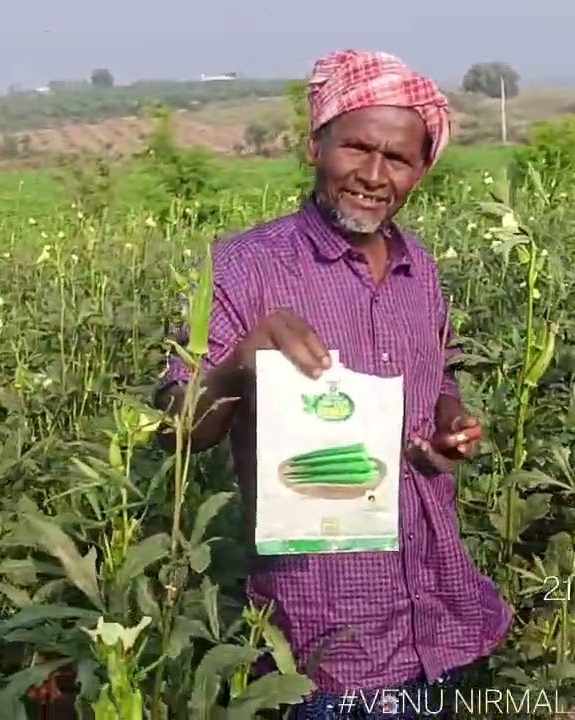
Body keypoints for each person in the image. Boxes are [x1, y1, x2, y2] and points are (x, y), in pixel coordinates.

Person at [154, 49, 512, 719]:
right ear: (315, 145)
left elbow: (438, 374)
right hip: (325, 640)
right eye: (357, 148)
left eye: (398, 159)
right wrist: (240, 362)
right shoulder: (243, 268)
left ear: (420, 171)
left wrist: (448, 422)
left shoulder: (419, 267)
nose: (374, 175)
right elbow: (180, 432)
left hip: (439, 616)